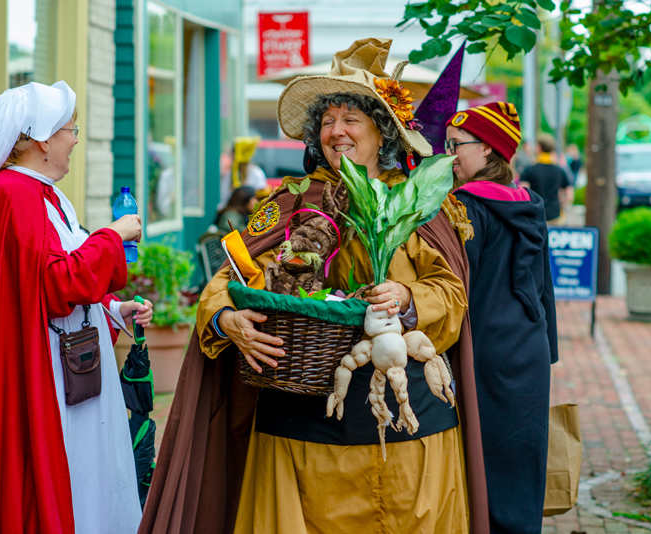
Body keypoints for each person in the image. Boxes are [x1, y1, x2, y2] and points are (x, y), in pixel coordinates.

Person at [141, 38, 490, 534]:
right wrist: (227, 318)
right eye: (327, 121)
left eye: (351, 118)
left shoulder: (420, 204)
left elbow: (453, 294)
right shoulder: (291, 200)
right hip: (302, 427)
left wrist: (409, 298)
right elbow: (227, 278)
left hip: (408, 417)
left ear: (382, 130)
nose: (337, 131)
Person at [0, 81, 152, 534]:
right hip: (39, 380)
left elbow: (41, 282)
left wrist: (112, 309)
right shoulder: (16, 197)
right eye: (70, 129)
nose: (74, 139)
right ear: (42, 139)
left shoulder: (40, 194)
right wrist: (112, 236)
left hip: (59, 373)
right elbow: (55, 284)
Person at [446, 102, 558, 533]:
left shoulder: (465, 207)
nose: (450, 154)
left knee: (482, 459)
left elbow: (454, 287)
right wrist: (548, 350)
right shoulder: (531, 202)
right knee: (523, 454)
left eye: (457, 146)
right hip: (529, 349)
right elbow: (543, 285)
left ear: (489, 150)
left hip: (483, 349)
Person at [520, 133, 573, 224]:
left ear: (539, 148)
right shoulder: (560, 171)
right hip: (555, 215)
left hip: (535, 216)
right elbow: (569, 196)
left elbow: (522, 193)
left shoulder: (529, 170)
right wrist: (559, 205)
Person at [218, 137, 268, 209]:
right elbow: (223, 200)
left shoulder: (256, 174)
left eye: (233, 153)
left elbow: (261, 198)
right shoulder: (229, 175)